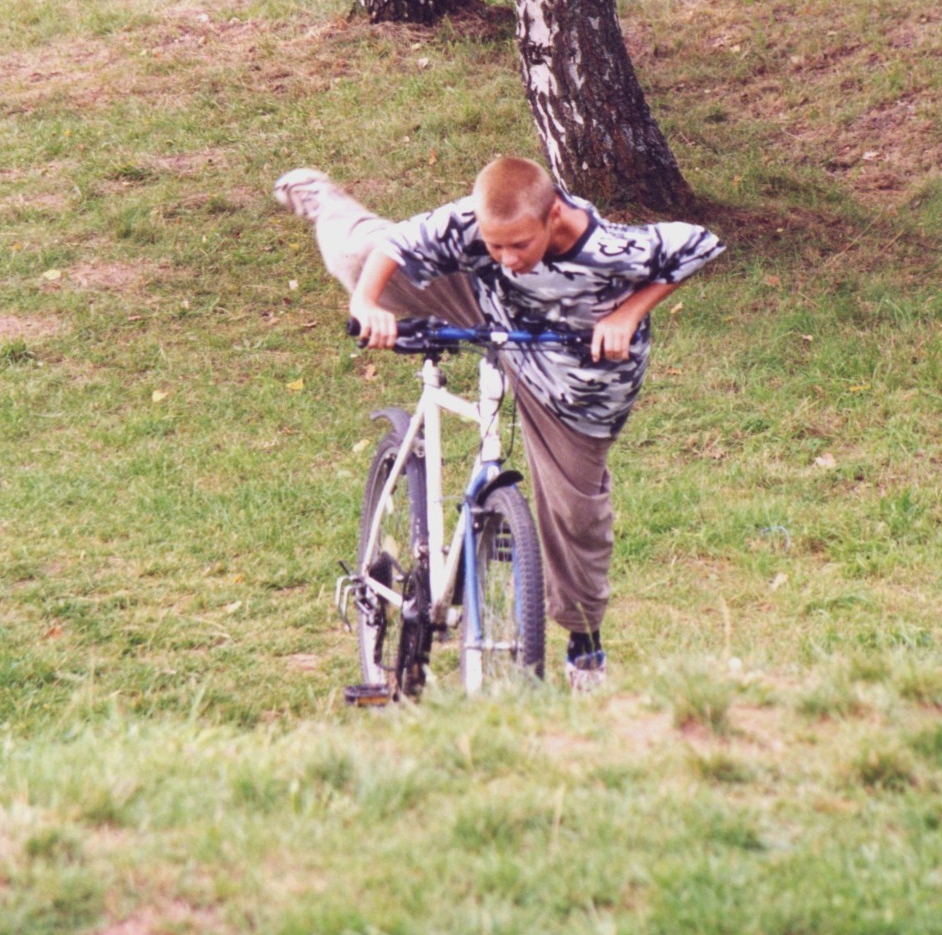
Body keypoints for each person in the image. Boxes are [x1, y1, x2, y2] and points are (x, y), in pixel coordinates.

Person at [274, 156, 723, 688]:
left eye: (520, 245)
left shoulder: (610, 246)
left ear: (554, 216)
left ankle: (583, 642)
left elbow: (699, 243)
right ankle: (326, 204)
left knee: (576, 514)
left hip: (570, 378)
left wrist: (628, 314)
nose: (508, 257)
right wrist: (367, 303)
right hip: (489, 306)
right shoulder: (477, 225)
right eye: (496, 245)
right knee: (364, 255)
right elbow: (401, 245)